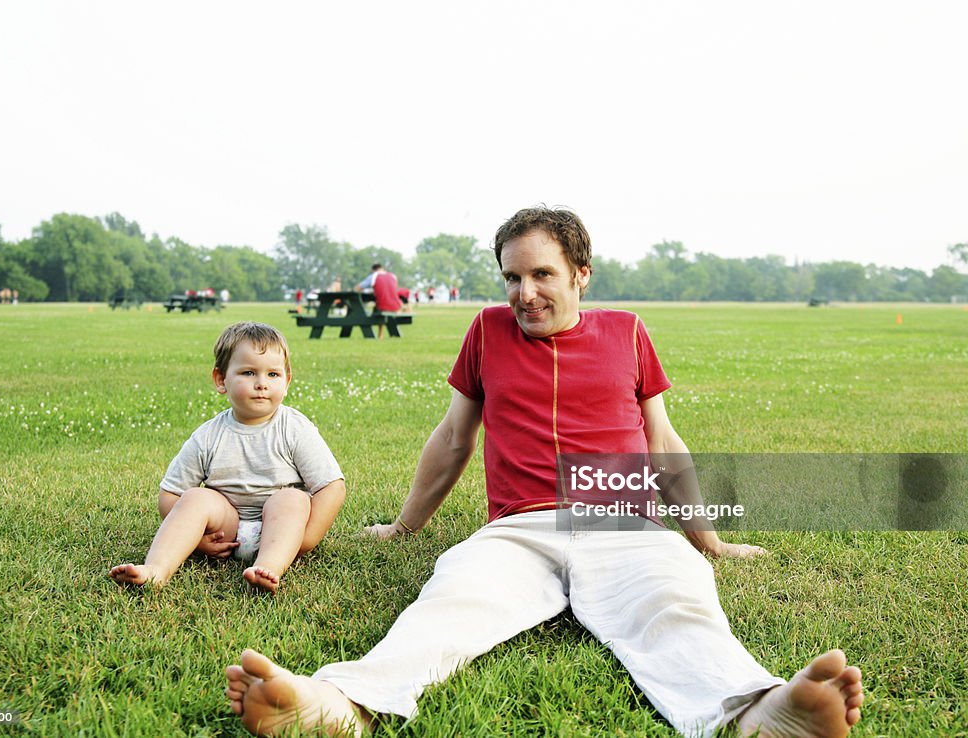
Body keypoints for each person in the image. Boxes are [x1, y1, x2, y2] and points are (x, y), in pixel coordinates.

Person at [225, 208, 864, 736]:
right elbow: (453, 438)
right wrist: (402, 527)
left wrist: (709, 542)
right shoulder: (488, 331)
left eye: (541, 275)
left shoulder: (628, 332)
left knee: (677, 602)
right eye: (511, 277)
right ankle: (341, 705)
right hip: (520, 528)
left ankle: (759, 714)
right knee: (449, 601)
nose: (523, 294)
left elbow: (663, 440)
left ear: (581, 275)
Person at [110, 321, 346, 594]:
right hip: (228, 529)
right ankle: (157, 569)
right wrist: (200, 541)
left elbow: (332, 486)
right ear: (221, 380)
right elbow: (170, 494)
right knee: (196, 497)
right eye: (248, 373)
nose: (261, 384)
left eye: (273, 374)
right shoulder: (209, 435)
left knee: (292, 498)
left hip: (281, 531)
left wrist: (306, 539)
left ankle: (268, 566)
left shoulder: (294, 428)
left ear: (287, 381)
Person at [355, 263, 403, 339]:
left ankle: (380, 334)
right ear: (382, 268)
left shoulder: (374, 276)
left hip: (383, 305)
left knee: (377, 309)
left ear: (373, 270)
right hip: (396, 306)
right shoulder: (393, 276)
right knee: (379, 308)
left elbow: (358, 287)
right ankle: (386, 334)